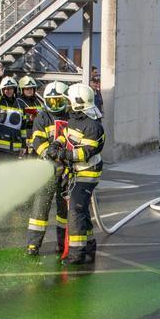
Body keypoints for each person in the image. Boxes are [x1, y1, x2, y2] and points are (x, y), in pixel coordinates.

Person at [52, 84, 105, 265]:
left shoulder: (93, 126)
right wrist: (57, 144)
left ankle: (76, 254)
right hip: (76, 171)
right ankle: (89, 247)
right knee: (81, 210)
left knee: (75, 210)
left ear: (78, 102)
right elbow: (67, 134)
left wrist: (63, 154)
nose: (67, 103)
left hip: (87, 173)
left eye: (69, 100)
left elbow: (84, 153)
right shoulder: (75, 118)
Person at [26, 81, 71, 256]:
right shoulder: (42, 117)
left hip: (67, 171)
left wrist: (65, 162)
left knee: (63, 210)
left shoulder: (71, 115)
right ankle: (33, 245)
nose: (54, 104)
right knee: (40, 207)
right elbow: (38, 142)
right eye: (51, 101)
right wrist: (51, 158)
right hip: (47, 170)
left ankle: (61, 243)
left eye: (58, 100)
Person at [0, 63, 24, 158]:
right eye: (5, 89)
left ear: (14, 89)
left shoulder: (20, 104)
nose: (8, 91)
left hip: (16, 148)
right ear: (2, 90)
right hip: (0, 148)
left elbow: (23, 127)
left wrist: (23, 146)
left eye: (10, 88)